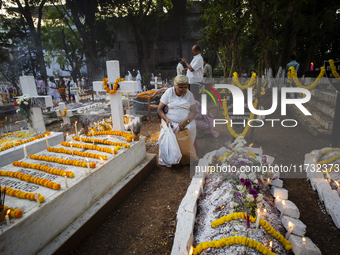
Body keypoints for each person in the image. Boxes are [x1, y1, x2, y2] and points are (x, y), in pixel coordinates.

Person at [157, 75, 197, 166]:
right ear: (175, 86)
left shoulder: (189, 94)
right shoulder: (169, 92)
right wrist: (166, 120)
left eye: (185, 87)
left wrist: (186, 121)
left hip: (185, 121)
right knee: (169, 132)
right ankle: (172, 158)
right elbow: (159, 109)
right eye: (180, 88)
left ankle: (186, 155)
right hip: (169, 121)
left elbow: (194, 111)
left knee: (191, 127)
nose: (183, 90)